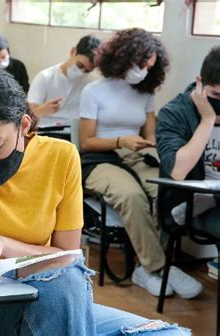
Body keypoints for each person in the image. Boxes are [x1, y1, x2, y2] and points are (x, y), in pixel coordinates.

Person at [0, 67, 190, 335]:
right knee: (67, 288)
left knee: (169, 333)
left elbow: (67, 256)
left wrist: (4, 245)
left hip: (48, 294)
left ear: (23, 125)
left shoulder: (61, 156)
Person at [79, 28, 202, 299]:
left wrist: (162, 142)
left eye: (149, 68)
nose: (144, 72)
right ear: (122, 58)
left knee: (166, 192)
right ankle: (159, 267)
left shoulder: (145, 93)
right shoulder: (94, 91)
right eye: (140, 66)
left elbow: (150, 136)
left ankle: (146, 270)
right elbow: (86, 141)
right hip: (99, 159)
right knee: (131, 195)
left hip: (135, 156)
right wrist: (122, 140)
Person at [156, 46, 220, 239]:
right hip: (191, 205)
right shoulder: (175, 113)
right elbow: (178, 170)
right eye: (216, 95)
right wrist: (207, 120)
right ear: (199, 83)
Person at [27, 35, 100, 141]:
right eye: (80, 65)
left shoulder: (90, 82)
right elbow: (29, 115)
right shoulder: (45, 77)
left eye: (87, 70)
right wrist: (43, 110)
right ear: (73, 51)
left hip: (75, 133)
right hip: (47, 131)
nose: (82, 72)